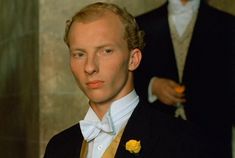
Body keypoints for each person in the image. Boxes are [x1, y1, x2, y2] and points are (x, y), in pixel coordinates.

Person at [44, 2, 211, 158]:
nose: (89, 67)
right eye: (79, 54)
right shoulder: (58, 147)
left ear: (133, 59)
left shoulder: (181, 141)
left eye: (106, 51)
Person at [134, 0, 234, 158]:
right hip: (157, 139)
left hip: (212, 141)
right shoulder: (140, 24)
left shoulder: (228, 24)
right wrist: (152, 86)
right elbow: (127, 77)